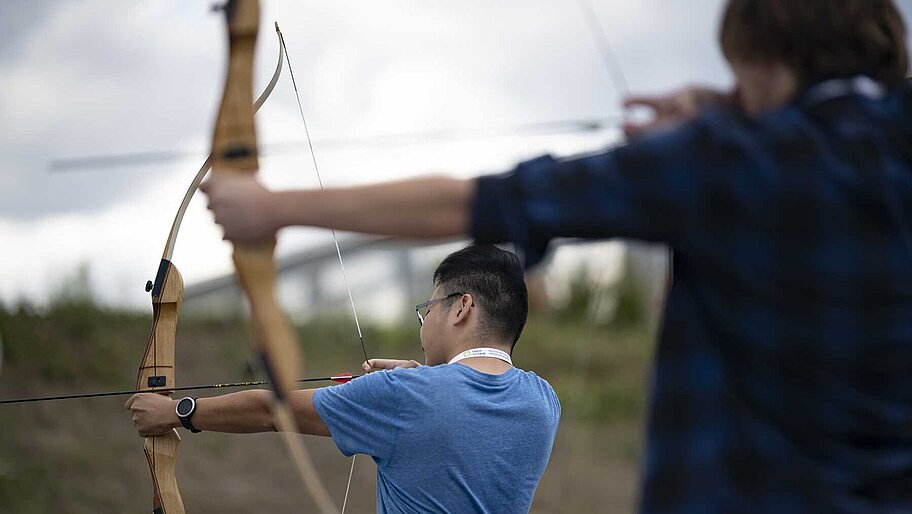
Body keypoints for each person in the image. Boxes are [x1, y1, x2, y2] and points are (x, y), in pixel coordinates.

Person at [200, 1, 912, 512]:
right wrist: (731, 105)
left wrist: (273, 208)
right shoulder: (539, 398)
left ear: (763, 52)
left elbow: (481, 202)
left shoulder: (727, 162)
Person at [126, 244, 560, 513]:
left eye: (428, 309)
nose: (424, 322)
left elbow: (270, 410)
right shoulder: (544, 401)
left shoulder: (402, 396)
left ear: (462, 308)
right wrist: (421, 375)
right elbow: (467, 404)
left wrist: (175, 411)